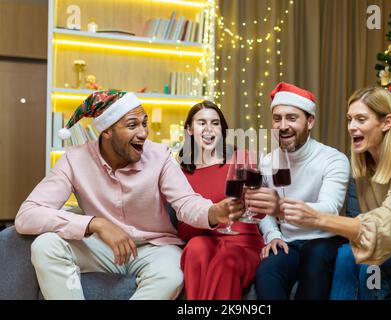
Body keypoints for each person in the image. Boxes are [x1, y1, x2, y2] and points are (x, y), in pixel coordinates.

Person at [14, 90, 243, 300]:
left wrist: (213, 211)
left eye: (144, 124)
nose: (143, 133)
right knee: (46, 245)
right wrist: (95, 224)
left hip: (154, 248)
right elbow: (27, 215)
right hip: (101, 247)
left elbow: (185, 202)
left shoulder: (159, 155)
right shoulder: (75, 160)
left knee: (172, 275)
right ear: (107, 132)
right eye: (132, 125)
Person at [277, 87, 391, 299]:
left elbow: (385, 227)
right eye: (349, 119)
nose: (351, 127)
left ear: (386, 123)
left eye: (361, 119)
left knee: (366, 265)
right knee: (347, 255)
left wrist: (318, 218)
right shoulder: (366, 166)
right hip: (390, 250)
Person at [245, 82, 350, 300]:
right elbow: (264, 212)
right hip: (289, 243)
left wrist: (279, 208)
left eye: (292, 118)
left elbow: (329, 209)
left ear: (310, 121)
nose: (283, 126)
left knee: (315, 254)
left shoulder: (333, 159)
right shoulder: (268, 161)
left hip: (325, 240)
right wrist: (272, 234)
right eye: (277, 118)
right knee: (267, 271)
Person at [176, 101, 264, 300]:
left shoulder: (241, 157)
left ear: (222, 130)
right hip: (205, 242)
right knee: (195, 247)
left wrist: (255, 199)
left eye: (215, 123)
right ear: (189, 129)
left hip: (243, 244)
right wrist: (214, 216)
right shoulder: (180, 173)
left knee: (225, 259)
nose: (209, 129)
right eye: (201, 123)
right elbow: (183, 228)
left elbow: (257, 212)